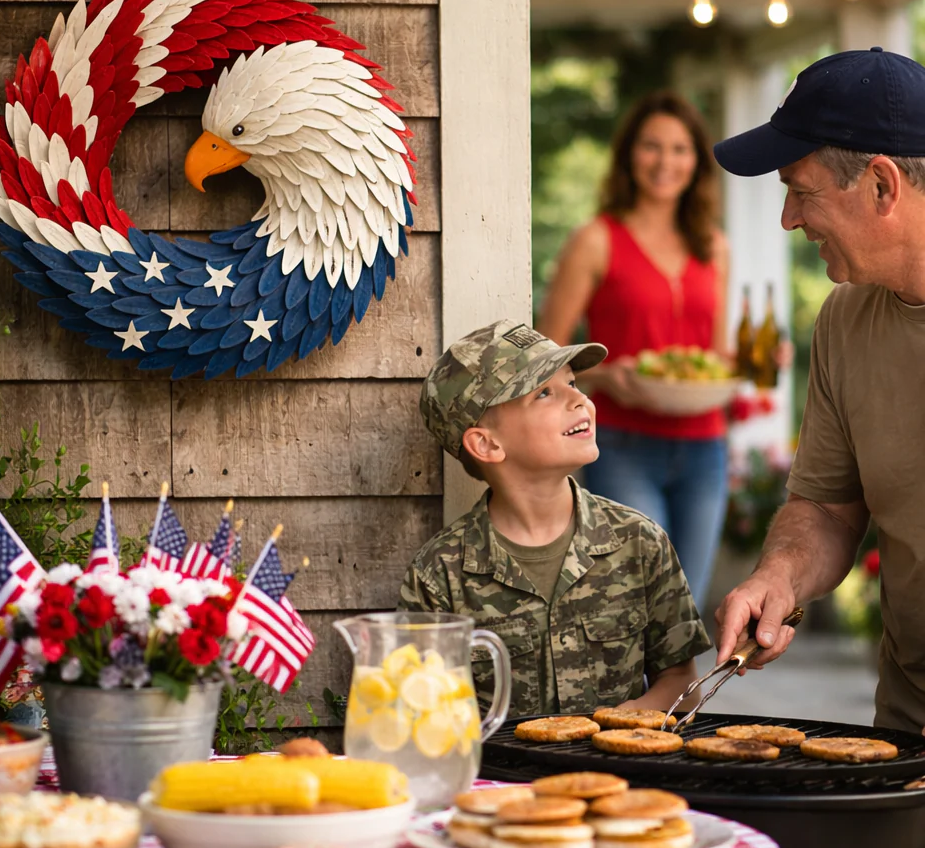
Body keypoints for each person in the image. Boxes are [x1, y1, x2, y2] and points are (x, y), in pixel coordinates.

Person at [712, 47, 925, 738]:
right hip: (906, 720)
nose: (788, 220)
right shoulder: (845, 318)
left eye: (800, 192)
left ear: (882, 186)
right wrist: (780, 576)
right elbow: (831, 510)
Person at [396, 319, 711, 718]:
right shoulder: (439, 575)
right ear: (487, 443)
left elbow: (681, 681)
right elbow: (421, 713)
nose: (579, 401)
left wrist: (624, 725)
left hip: (616, 776)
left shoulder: (640, 541)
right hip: (499, 781)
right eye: (544, 393)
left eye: (573, 384)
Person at [537, 91, 730, 610]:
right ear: (628, 154)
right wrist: (599, 379)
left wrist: (754, 365)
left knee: (685, 611)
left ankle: (676, 699)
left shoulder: (713, 247)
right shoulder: (596, 240)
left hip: (704, 447)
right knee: (642, 602)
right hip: (622, 444)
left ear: (696, 161)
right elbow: (544, 356)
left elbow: (716, 354)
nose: (666, 162)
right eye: (651, 147)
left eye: (680, 149)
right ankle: (633, 698)